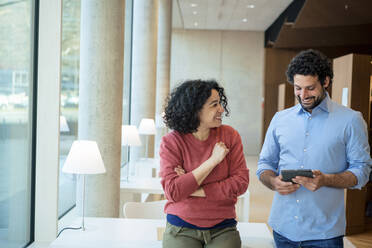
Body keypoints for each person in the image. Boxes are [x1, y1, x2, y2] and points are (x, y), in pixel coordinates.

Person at [257, 49, 372, 247]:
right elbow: (264, 165)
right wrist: (273, 182)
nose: (303, 95)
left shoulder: (351, 120)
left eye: (310, 88)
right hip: (282, 229)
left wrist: (326, 179)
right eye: (298, 88)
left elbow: (362, 171)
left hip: (325, 234)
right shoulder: (280, 119)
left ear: (325, 81)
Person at [159, 79, 249, 248]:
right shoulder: (172, 142)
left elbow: (241, 183)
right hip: (181, 227)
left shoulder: (230, 136)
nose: (221, 109)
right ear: (195, 109)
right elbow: (173, 191)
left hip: (223, 227)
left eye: (220, 103)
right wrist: (213, 161)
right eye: (214, 105)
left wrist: (193, 187)